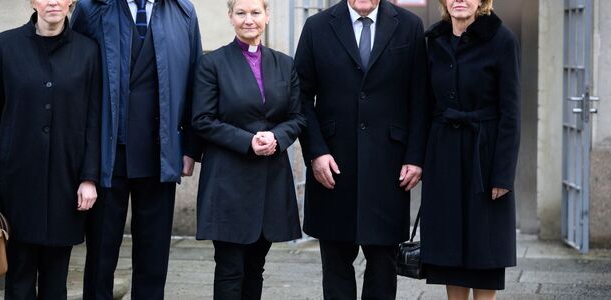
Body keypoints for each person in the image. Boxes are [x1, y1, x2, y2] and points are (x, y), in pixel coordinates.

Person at [294, 0, 429, 298]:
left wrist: (415, 157)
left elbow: (420, 97)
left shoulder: (409, 26)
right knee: (336, 267)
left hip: (389, 166)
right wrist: (316, 151)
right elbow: (300, 96)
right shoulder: (317, 27)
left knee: (383, 268)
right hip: (333, 164)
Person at [70, 0, 203, 298]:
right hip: (107, 155)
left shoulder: (183, 12)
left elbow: (195, 79)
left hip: (160, 154)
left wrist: (191, 147)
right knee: (100, 256)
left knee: (154, 259)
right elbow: (73, 74)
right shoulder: (92, 8)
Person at [0, 0, 101, 298]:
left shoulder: (88, 51)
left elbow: (94, 120)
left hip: (66, 179)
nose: (53, 2)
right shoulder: (6, 45)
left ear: (71, 1)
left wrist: (89, 177)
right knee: (19, 275)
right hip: (18, 178)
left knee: (56, 279)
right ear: (33, 2)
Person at [191, 0, 305, 298]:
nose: (249, 20)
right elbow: (202, 119)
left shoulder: (285, 64)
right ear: (230, 17)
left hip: (270, 179)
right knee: (230, 269)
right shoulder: (212, 63)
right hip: (227, 180)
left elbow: (297, 117)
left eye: (256, 12)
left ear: (267, 16)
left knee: (256, 267)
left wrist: (277, 137)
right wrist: (248, 141)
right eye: (241, 13)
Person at [420, 0, 520, 299]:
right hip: (444, 154)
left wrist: (503, 174)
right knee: (449, 248)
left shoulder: (502, 39)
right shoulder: (434, 40)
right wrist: (420, 159)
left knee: (485, 248)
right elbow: (424, 104)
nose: (460, 0)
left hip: (484, 156)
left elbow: (511, 113)